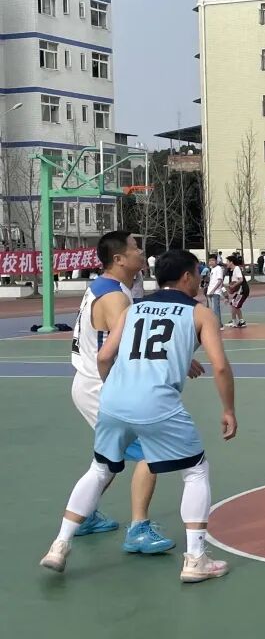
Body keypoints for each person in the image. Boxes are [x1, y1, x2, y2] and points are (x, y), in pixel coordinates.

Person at [41, 249, 236, 583]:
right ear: (187, 277)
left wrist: (115, 389)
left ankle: (59, 545)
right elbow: (219, 366)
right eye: (198, 274)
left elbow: (105, 356)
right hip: (157, 403)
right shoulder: (200, 313)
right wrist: (228, 409)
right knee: (195, 470)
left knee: (99, 469)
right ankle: (195, 559)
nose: (200, 279)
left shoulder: (133, 308)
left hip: (114, 400)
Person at [68, 231, 174, 553]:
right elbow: (125, 347)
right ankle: (138, 529)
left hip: (92, 384)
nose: (141, 251)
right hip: (101, 386)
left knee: (108, 459)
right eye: (135, 248)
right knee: (152, 450)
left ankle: (84, 516)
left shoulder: (106, 287)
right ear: (119, 259)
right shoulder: (114, 297)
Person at [225, 254, 249, 327]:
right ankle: (241, 321)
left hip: (242, 290)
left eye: (227, 261)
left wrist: (233, 286)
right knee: (235, 305)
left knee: (234, 305)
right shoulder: (234, 270)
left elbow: (241, 280)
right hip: (241, 290)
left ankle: (234, 322)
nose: (226, 263)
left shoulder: (237, 268)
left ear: (231, 262)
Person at [206, 256, 225, 329]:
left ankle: (219, 325)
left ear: (216, 261)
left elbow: (220, 281)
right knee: (211, 310)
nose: (211, 262)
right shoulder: (212, 269)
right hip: (209, 292)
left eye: (213, 260)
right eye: (210, 261)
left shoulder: (218, 268)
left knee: (215, 309)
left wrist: (213, 290)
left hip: (215, 292)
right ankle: (214, 323)